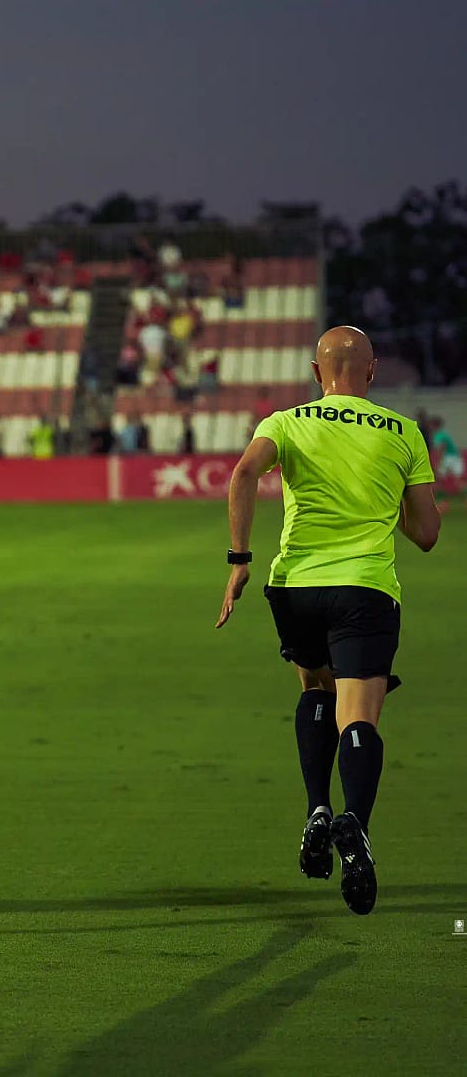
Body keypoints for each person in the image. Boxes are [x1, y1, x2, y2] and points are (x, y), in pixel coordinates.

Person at [215, 326, 439, 916]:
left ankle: (317, 807)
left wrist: (239, 562)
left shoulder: (286, 422)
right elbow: (427, 533)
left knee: (315, 688)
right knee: (358, 716)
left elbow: (242, 475)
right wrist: (377, 501)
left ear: (318, 375)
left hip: (296, 587)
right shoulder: (404, 431)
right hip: (364, 588)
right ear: (370, 373)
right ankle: (354, 827)